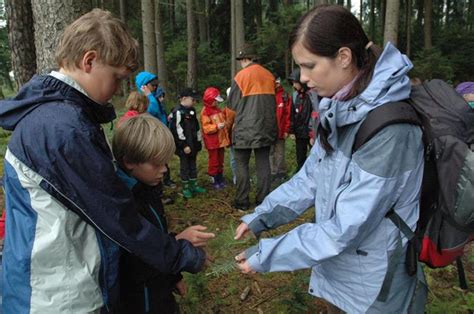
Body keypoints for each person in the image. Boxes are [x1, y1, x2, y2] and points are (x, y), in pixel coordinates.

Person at [0, 9, 207, 312]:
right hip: (55, 296)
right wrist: (180, 255)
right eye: (117, 77)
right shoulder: (63, 129)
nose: (118, 90)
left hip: (49, 284)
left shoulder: (55, 117)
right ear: (89, 61)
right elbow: (117, 215)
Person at [234, 5, 427, 313]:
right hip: (343, 268)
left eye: (309, 66)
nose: (303, 78)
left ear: (343, 57)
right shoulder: (340, 108)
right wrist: (264, 216)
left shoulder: (391, 130)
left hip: (378, 283)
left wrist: (269, 254)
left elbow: (346, 228)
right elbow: (311, 177)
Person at [113, 114, 214, 313]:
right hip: (140, 300)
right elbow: (136, 258)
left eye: (165, 162)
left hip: (159, 288)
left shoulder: (147, 189)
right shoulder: (121, 204)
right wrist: (177, 242)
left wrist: (173, 277)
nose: (164, 170)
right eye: (156, 164)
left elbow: (154, 236)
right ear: (129, 162)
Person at [228, 44, 277, 211]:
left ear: (245, 59)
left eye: (241, 60)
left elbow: (231, 108)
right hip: (266, 126)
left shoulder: (241, 76)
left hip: (244, 128)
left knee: (241, 163)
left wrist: (228, 127)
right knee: (263, 164)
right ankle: (263, 200)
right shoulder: (269, 76)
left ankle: (242, 201)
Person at [169, 88, 207, 198]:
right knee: (185, 166)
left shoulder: (192, 111)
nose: (195, 102)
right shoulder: (177, 112)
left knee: (193, 164)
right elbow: (176, 130)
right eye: (193, 100)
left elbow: (196, 127)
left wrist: (199, 141)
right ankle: (185, 187)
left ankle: (193, 184)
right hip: (184, 146)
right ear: (184, 98)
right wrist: (183, 145)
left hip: (193, 143)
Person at [200, 87, 231, 189]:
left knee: (220, 160)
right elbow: (206, 128)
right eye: (215, 101)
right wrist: (216, 127)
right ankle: (214, 180)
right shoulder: (205, 112)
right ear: (210, 100)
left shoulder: (217, 109)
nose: (216, 103)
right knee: (214, 161)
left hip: (220, 140)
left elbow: (222, 118)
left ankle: (220, 178)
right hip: (212, 142)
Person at [288, 67, 313, 172]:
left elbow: (315, 114)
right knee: (300, 157)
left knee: (315, 156)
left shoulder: (312, 95)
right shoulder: (295, 96)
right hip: (299, 133)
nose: (294, 85)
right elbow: (292, 114)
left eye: (295, 82)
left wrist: (313, 133)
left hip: (310, 132)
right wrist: (292, 131)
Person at [270, 77, 291, 183]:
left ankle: (281, 172)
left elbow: (288, 114)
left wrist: (287, 129)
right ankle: (272, 172)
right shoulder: (268, 96)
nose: (276, 85)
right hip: (269, 130)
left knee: (280, 152)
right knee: (270, 152)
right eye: (274, 83)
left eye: (277, 83)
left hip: (281, 129)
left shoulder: (285, 96)